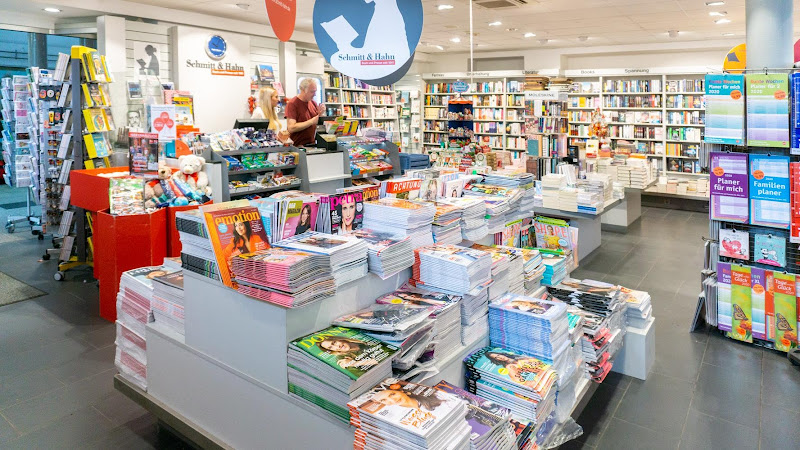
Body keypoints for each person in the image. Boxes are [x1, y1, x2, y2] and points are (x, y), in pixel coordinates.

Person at [286, 78, 325, 147]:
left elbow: (316, 123)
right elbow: (291, 128)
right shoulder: (292, 104)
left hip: (311, 144)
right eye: (312, 92)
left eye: (315, 91)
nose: (315, 94)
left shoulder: (313, 103)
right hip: (297, 146)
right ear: (303, 90)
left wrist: (320, 115)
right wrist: (311, 121)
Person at [369, 385, 444, 411]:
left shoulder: (435, 396)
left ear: (401, 391)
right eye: (383, 400)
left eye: (392, 394)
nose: (392, 400)